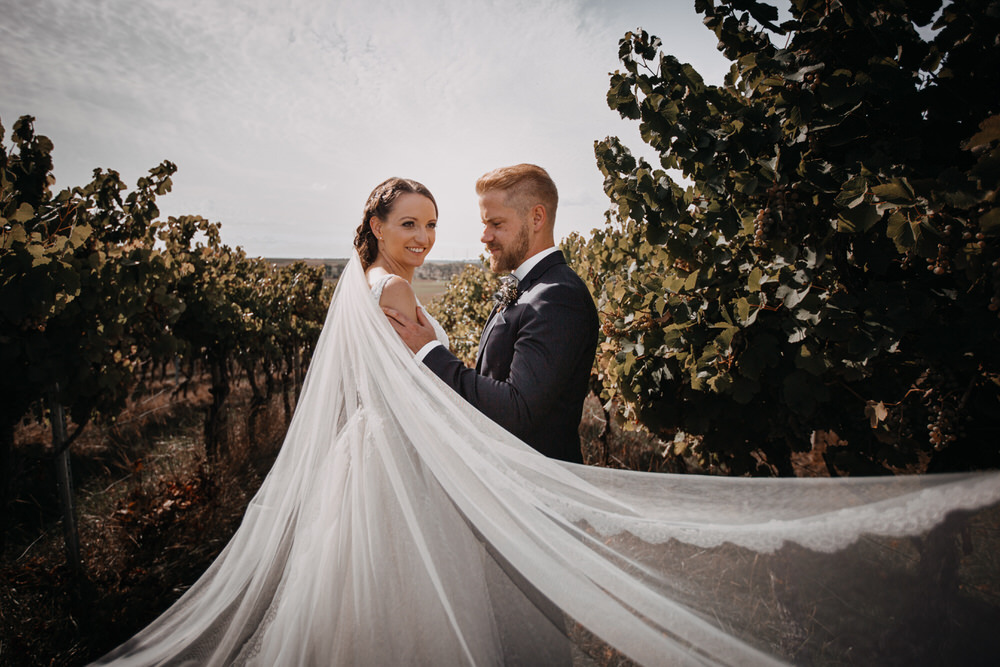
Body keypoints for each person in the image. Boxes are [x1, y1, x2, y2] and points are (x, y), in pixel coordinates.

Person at [91, 178, 1000, 667]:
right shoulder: (396, 287)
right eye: (412, 222)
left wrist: (433, 361)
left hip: (389, 464)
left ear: (530, 220)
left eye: (446, 223)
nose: (434, 237)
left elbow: (479, 394)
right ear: (373, 223)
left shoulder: (469, 291)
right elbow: (427, 381)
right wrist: (433, 363)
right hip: (400, 468)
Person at [384, 164, 598, 463]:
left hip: (536, 492)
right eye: (484, 224)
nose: (485, 237)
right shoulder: (529, 286)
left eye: (496, 223)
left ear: (537, 218)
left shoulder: (557, 296)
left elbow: (517, 410)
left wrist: (430, 352)